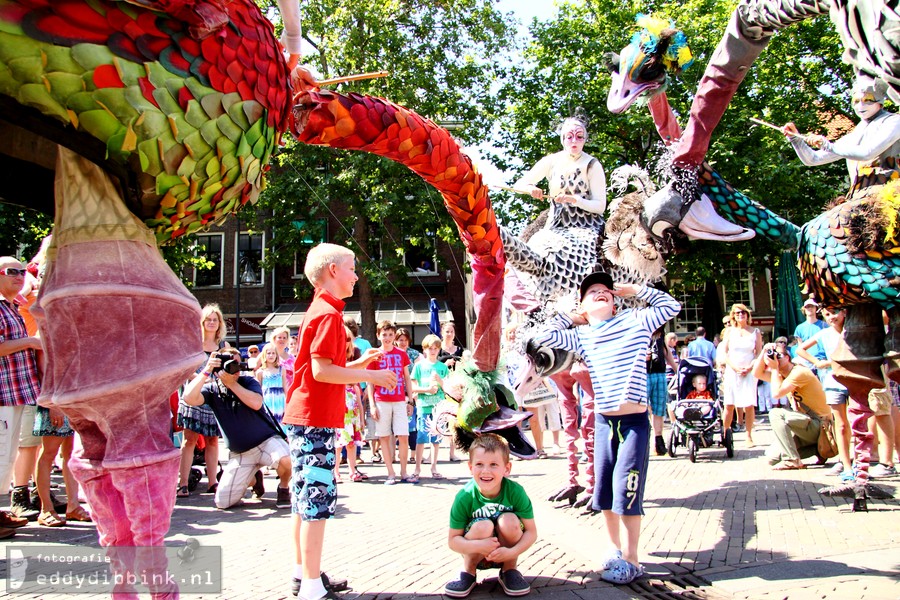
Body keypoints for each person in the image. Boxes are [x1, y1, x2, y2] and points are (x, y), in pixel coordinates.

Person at [531, 271, 680, 585]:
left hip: (634, 423)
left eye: (606, 291)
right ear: (583, 306)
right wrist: (569, 316)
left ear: (615, 301)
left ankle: (633, 558)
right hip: (603, 423)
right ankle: (614, 550)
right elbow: (543, 336)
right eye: (591, 291)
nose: (600, 292)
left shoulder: (636, 322)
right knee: (606, 491)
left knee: (628, 488)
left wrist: (637, 290)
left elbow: (671, 306)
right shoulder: (582, 336)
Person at [283, 243, 397, 600]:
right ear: (333, 270)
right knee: (316, 504)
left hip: (306, 417)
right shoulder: (328, 314)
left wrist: (363, 363)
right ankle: (312, 588)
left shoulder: (320, 309)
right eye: (351, 267)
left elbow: (324, 370)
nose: (356, 274)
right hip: (314, 419)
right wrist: (373, 377)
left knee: (304, 502)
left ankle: (305, 575)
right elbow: (322, 371)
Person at [181, 346, 292, 509]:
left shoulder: (248, 381)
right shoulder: (212, 389)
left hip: (266, 442)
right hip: (241, 454)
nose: (234, 369)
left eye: (237, 364)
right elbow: (189, 398)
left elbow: (256, 403)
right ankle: (253, 478)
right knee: (222, 502)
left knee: (286, 459)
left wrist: (232, 384)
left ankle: (283, 487)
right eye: (229, 364)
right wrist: (206, 370)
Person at [444, 434, 536, 598]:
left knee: (509, 520)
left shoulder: (515, 491)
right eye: (479, 464)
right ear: (470, 467)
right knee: (483, 526)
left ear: (507, 468)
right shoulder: (464, 496)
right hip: (476, 550)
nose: (486, 471)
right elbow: (453, 541)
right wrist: (478, 546)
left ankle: (509, 569)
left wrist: (511, 552)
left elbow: (531, 532)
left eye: (494, 464)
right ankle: (469, 571)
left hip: (506, 550)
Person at [783, 76, 900, 200]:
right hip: (859, 199)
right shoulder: (855, 135)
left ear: (880, 102)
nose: (861, 105)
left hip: (890, 197)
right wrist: (795, 139)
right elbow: (813, 159)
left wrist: (827, 145)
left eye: (868, 99)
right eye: (856, 100)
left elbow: (867, 152)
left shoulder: (893, 122)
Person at [0, 257, 41, 538]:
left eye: (22, 271)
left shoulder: (13, 306)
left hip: (16, 394)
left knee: (7, 455)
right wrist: (30, 341)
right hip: (2, 395)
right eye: (12, 271)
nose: (20, 276)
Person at [796, 307, 854, 480]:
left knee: (856, 422)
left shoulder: (851, 331)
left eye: (835, 313)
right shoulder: (824, 334)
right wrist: (818, 362)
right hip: (833, 381)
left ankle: (858, 461)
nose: (831, 317)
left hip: (853, 380)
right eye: (827, 314)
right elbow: (800, 350)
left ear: (844, 313)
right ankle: (845, 463)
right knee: (840, 424)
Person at [752, 343, 830, 470]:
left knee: (776, 414)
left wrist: (775, 368)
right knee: (772, 457)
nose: (776, 358)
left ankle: (792, 460)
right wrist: (763, 352)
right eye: (773, 356)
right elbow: (757, 373)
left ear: (788, 357)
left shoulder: (799, 372)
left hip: (821, 425)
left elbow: (776, 394)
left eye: (779, 355)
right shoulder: (781, 375)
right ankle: (818, 449)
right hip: (805, 424)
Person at [176, 304, 224, 497]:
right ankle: (183, 483)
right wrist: (203, 375)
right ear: (202, 323)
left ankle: (213, 482)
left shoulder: (223, 346)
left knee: (213, 440)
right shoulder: (192, 344)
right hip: (194, 395)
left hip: (212, 396)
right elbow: (185, 371)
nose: (212, 323)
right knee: (190, 440)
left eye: (215, 320)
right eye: (208, 320)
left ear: (219, 323)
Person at [367, 320, 415, 484]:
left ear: (394, 335)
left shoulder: (401, 354)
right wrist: (372, 405)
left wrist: (410, 401)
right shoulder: (374, 355)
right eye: (384, 334)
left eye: (390, 334)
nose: (387, 338)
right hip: (382, 400)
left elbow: (407, 378)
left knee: (403, 435)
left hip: (399, 400)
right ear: (378, 335)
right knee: (384, 436)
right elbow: (369, 382)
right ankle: (390, 473)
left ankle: (403, 472)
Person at [32, 406, 92, 527]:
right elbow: (47, 386)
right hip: (55, 404)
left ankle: (73, 506)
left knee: (70, 453)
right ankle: (46, 509)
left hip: (71, 405)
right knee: (49, 453)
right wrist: (53, 407)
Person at [720, 304, 762, 447]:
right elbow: (724, 353)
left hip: (749, 371)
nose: (740, 315)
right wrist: (734, 367)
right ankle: (725, 434)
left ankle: (749, 436)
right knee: (729, 404)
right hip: (733, 370)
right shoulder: (729, 332)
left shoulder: (755, 332)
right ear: (733, 316)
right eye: (737, 313)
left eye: (743, 312)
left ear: (747, 315)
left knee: (749, 404)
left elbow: (759, 353)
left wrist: (750, 367)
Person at [409, 334, 449, 479]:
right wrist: (426, 389)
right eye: (430, 348)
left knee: (436, 439)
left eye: (435, 348)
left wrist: (440, 381)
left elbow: (448, 388)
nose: (433, 351)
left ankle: (434, 467)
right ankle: (417, 469)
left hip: (438, 408)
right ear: (425, 349)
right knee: (421, 437)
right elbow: (413, 387)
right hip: (423, 406)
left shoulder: (442, 367)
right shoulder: (419, 366)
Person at [335, 327, 365, 483]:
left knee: (351, 443)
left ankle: (352, 470)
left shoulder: (353, 383)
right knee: (337, 445)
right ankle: (336, 471)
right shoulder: (333, 363)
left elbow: (358, 395)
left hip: (351, 411)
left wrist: (361, 417)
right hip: (338, 411)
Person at [647, 326, 678, 456]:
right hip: (644, 373)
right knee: (643, 407)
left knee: (659, 409)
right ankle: (644, 441)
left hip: (660, 373)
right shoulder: (642, 333)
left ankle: (658, 440)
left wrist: (678, 370)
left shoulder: (661, 336)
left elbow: (667, 354)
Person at [256, 343, 287, 431]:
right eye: (268, 353)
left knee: (280, 421)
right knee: (268, 420)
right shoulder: (260, 372)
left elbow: (285, 386)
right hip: (267, 399)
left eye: (273, 353)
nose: (271, 355)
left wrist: (287, 401)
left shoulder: (281, 369)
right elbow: (258, 389)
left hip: (280, 399)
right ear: (264, 355)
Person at [792, 298, 827, 369]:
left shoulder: (825, 325)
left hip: (822, 360)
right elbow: (800, 346)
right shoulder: (799, 328)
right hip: (807, 362)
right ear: (804, 309)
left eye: (812, 306)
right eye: (807, 307)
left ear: (816, 308)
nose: (809, 308)